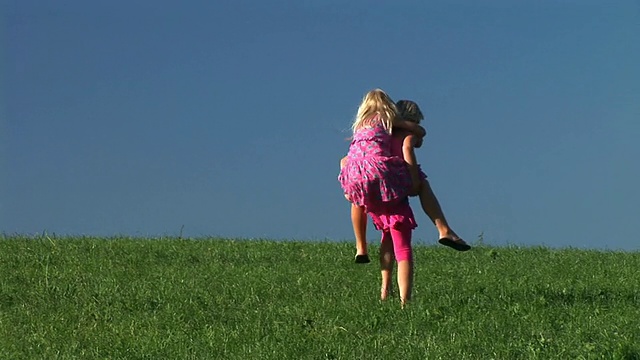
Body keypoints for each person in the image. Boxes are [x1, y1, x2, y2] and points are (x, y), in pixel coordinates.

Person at [342, 100, 471, 260]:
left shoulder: (380, 133)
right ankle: (443, 229)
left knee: (384, 230)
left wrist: (347, 184)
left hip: (372, 185)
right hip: (393, 181)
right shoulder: (404, 133)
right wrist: (414, 178)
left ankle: (366, 253)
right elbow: (408, 148)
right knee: (424, 184)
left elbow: (347, 159)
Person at [338, 89, 420, 306]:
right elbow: (411, 146)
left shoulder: (362, 126)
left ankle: (382, 285)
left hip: (366, 186)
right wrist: (414, 182)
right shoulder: (394, 126)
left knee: (386, 238)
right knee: (402, 248)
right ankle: (405, 301)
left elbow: (347, 158)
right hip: (391, 189)